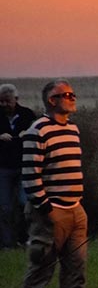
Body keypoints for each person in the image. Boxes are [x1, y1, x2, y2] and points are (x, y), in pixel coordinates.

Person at [19, 79, 88, 288]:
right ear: (52, 101)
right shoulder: (37, 130)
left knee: (76, 271)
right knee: (40, 269)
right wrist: (48, 210)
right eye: (66, 94)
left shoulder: (73, 130)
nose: (72, 98)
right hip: (50, 212)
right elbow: (30, 175)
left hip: (76, 209)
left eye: (73, 93)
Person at [1, 84, 37, 249]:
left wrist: (26, 133)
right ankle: (7, 243)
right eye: (1, 101)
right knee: (5, 207)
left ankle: (25, 239)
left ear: (16, 100)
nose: (4, 105)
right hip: (3, 168)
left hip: (24, 166)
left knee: (25, 204)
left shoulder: (27, 114)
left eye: (7, 101)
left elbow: (38, 135)